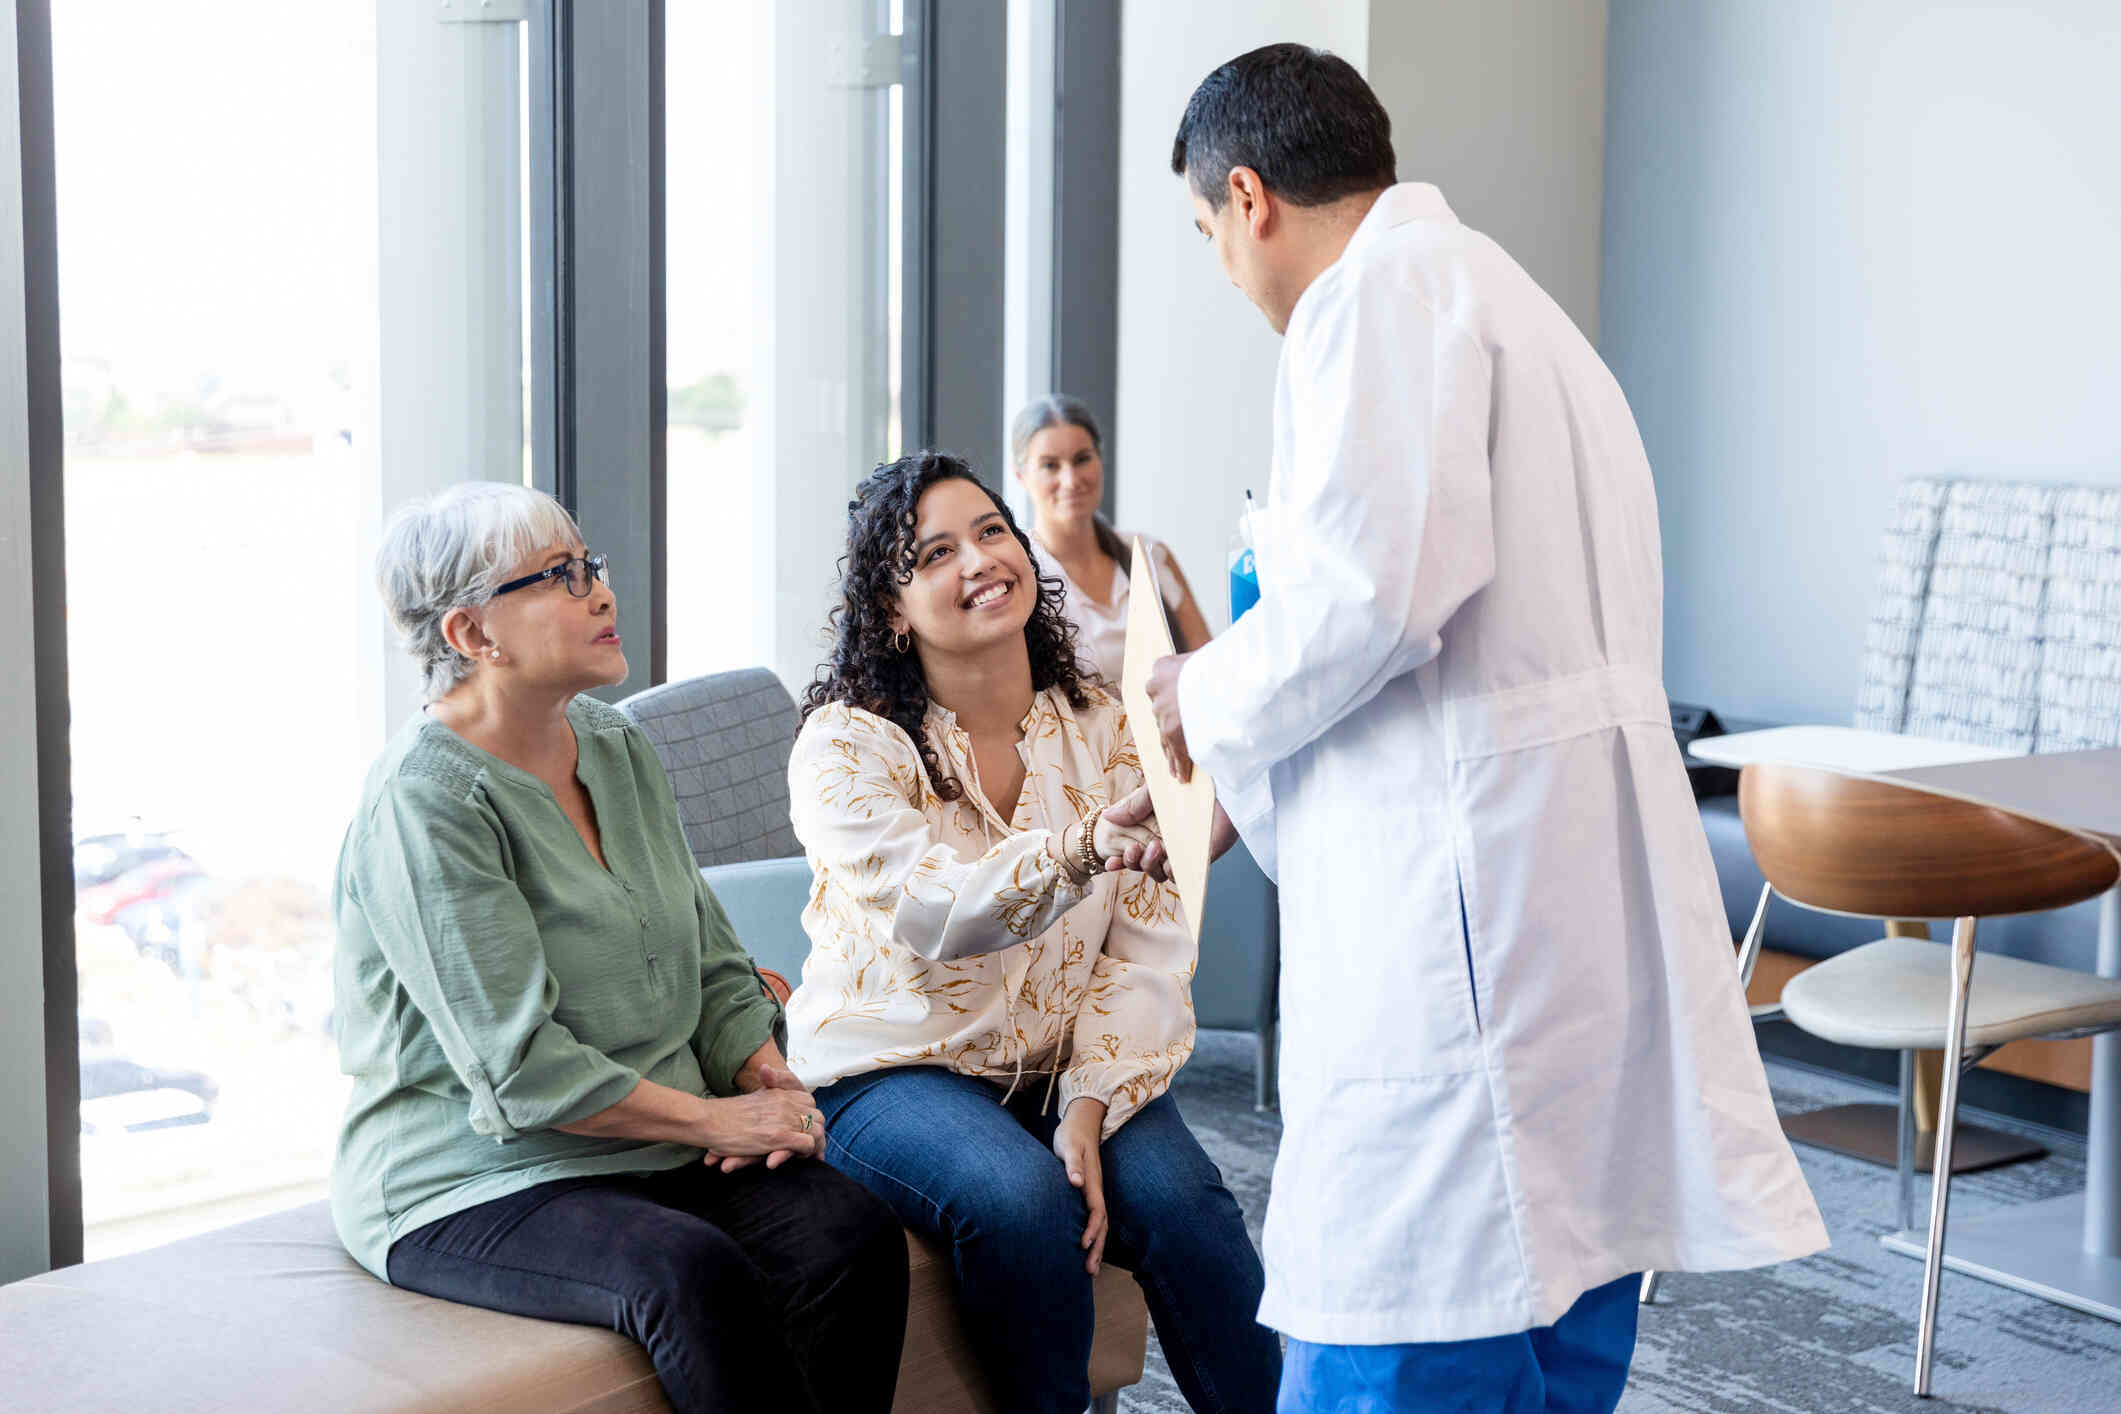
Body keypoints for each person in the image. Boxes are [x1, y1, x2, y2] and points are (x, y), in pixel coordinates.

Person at [1124, 44, 1828, 1413]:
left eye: (1208, 232)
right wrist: (1218, 795)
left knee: (1408, 1303)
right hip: (1546, 884)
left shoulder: (1372, 302)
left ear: (1251, 198)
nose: (1223, 265)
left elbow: (1374, 601)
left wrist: (1195, 696)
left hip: (1458, 915)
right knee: (1553, 1286)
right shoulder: (1516, 308)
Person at [333, 482, 908, 1414]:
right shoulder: (425, 801)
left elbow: (711, 955)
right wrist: (715, 1123)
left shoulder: (614, 741)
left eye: (588, 564)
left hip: (643, 1143)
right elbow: (518, 1073)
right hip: (471, 1175)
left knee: (849, 1231)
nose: (601, 591)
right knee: (687, 1270)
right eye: (559, 576)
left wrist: (759, 1069)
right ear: (473, 636)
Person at [782, 450, 1282, 1414]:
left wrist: (1089, 1107)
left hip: (1065, 1059)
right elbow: (938, 908)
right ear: (890, 609)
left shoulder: (1105, 723)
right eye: (933, 553)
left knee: (1191, 1212)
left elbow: (1146, 944)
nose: (977, 560)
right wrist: (1088, 843)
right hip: (893, 1071)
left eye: (989, 532)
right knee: (1019, 1204)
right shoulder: (845, 746)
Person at [1011, 394, 1213, 680]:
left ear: (1099, 460)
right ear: (1020, 476)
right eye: (1050, 465)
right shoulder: (1021, 576)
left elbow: (1207, 670)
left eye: (1082, 459)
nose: (1070, 480)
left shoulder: (1151, 555)